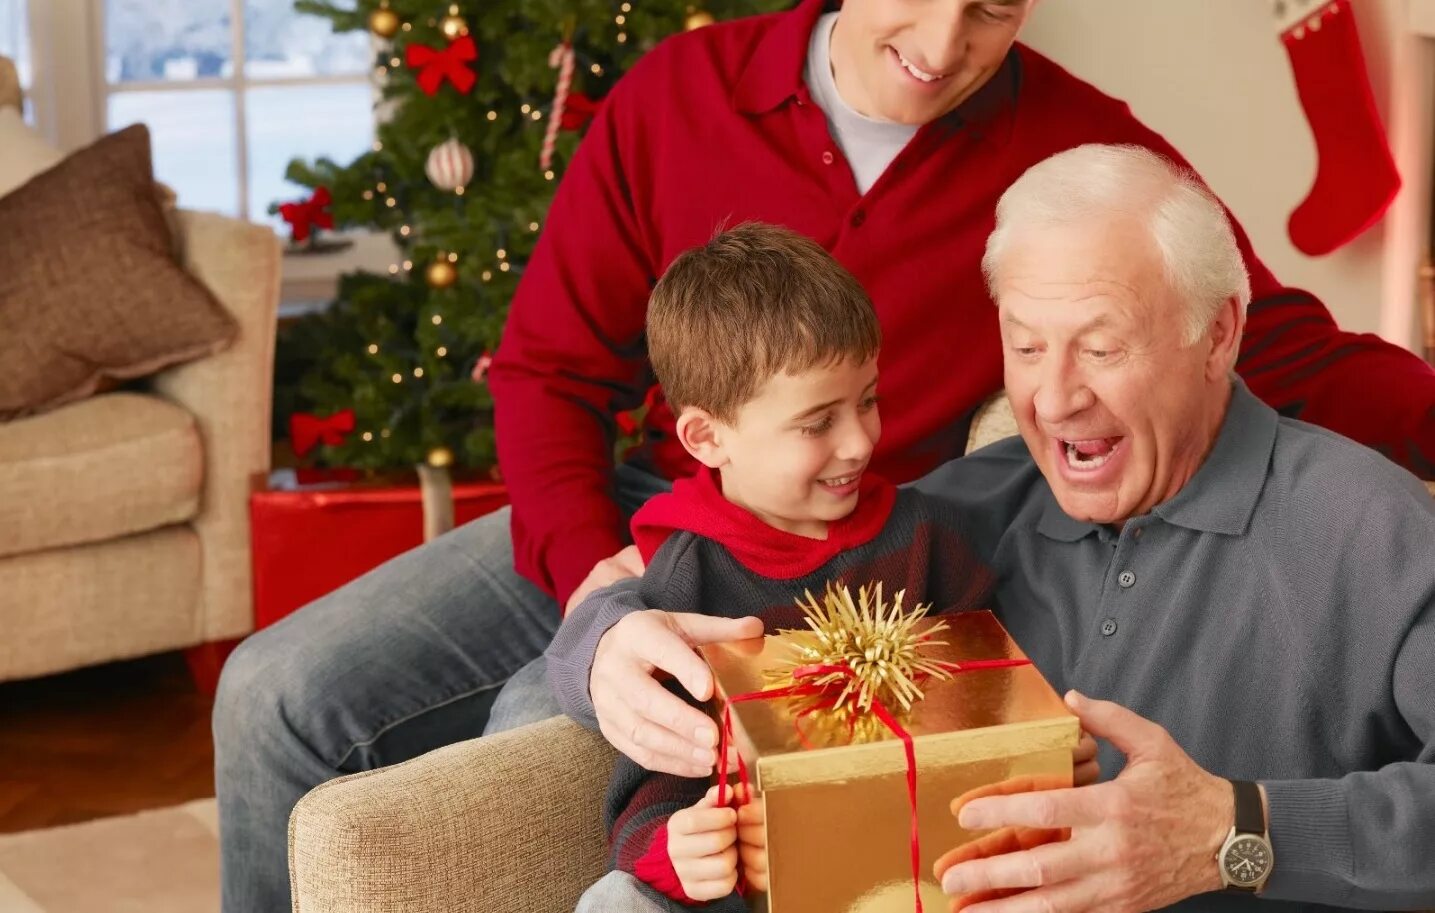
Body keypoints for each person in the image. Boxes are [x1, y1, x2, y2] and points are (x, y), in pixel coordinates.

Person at [212, 1, 1435, 908]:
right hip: (637, 508)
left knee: (562, 744)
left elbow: (1274, 338)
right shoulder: (680, 92)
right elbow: (548, 369)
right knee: (277, 696)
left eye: (994, 7)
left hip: (846, 536)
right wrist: (597, 591)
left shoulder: (1070, 147)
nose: (950, 41)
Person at [558, 144, 1435, 912]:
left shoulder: (1369, 526)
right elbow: (721, 584)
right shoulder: (966, 511)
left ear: (1217, 335)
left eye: (1099, 347)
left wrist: (1234, 831)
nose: (1053, 398)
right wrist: (599, 645)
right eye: (1024, 345)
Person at [565, 222, 1030, 911]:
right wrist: (672, 847)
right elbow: (653, 779)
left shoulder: (929, 539)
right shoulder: (683, 583)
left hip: (911, 859)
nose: (858, 442)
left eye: (867, 400)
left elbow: (994, 708)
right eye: (817, 423)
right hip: (754, 879)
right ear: (706, 436)